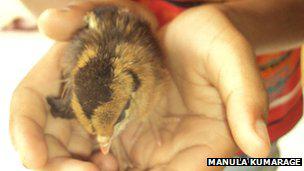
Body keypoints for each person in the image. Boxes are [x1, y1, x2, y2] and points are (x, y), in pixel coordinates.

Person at [9, 0, 304, 170]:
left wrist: (238, 23)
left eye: (118, 116)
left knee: (260, 156)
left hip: (267, 105)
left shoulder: (146, 77)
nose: (102, 141)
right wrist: (74, 8)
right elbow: (51, 9)